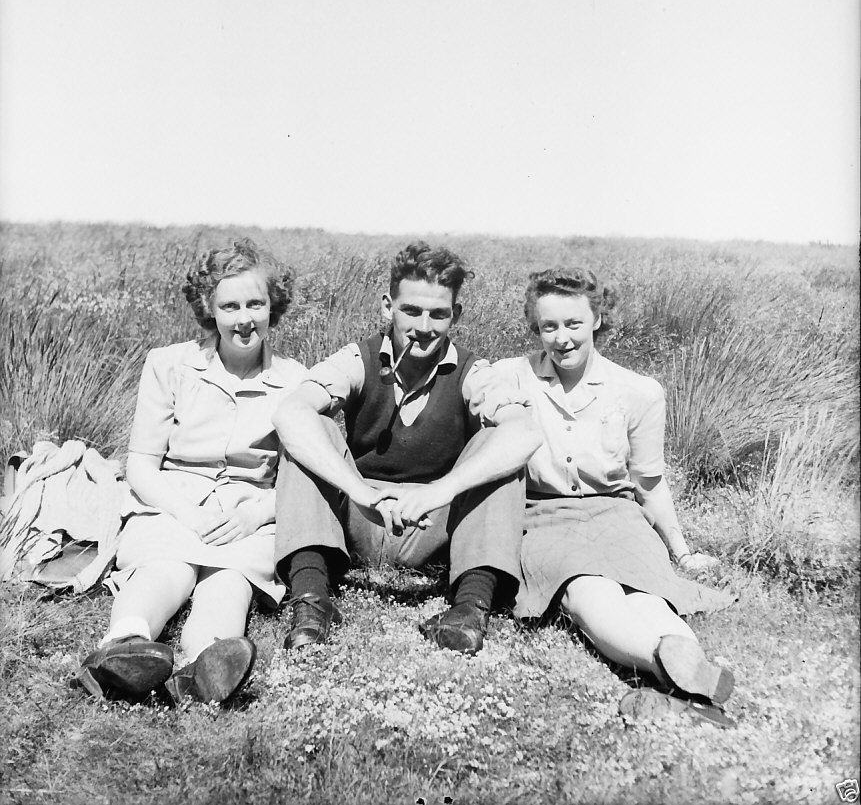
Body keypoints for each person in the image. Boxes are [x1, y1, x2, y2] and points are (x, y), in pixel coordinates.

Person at [489, 267, 736, 725]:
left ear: (597, 320)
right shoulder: (511, 377)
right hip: (543, 515)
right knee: (588, 591)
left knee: (649, 594)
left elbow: (649, 481)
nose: (562, 338)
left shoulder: (638, 391)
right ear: (535, 328)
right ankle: (672, 669)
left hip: (617, 514)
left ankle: (686, 670)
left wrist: (681, 552)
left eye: (573, 324)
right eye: (549, 327)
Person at [273, 241, 541, 655]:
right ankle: (311, 602)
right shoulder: (357, 359)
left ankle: (470, 609)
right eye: (411, 311)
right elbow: (290, 413)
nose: (424, 326)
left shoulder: (474, 372)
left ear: (456, 315)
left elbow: (525, 432)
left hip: (433, 526)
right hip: (362, 516)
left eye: (439, 314)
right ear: (387, 307)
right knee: (312, 428)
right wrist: (361, 492)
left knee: (499, 443)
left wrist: (441, 491)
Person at [72, 239, 307, 703]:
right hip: (172, 501)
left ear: (272, 306)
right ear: (208, 309)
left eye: (255, 303)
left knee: (229, 584)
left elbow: (301, 479)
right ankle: (123, 650)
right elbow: (141, 464)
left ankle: (204, 668)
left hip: (247, 511)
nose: (244, 318)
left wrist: (255, 516)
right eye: (230, 305)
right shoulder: (169, 365)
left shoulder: (296, 381)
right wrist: (189, 515)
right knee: (167, 569)